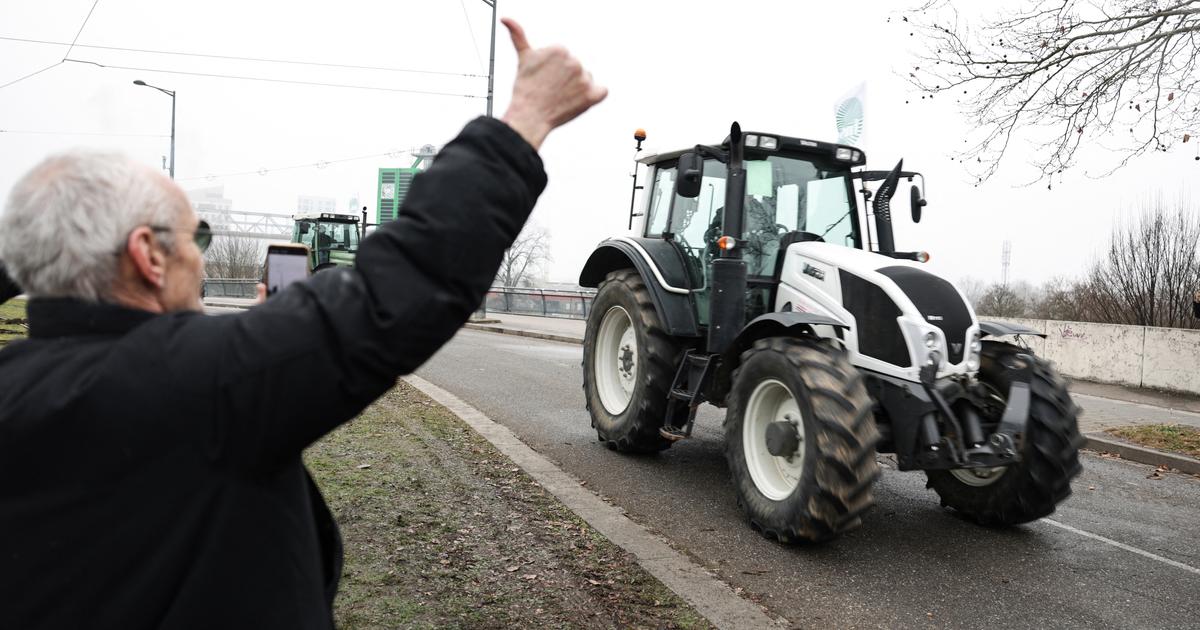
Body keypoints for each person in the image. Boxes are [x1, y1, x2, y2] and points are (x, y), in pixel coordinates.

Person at [0, 18, 605, 630]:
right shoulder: (201, 385)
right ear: (147, 256)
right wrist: (523, 121)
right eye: (194, 235)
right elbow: (398, 286)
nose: (200, 255)